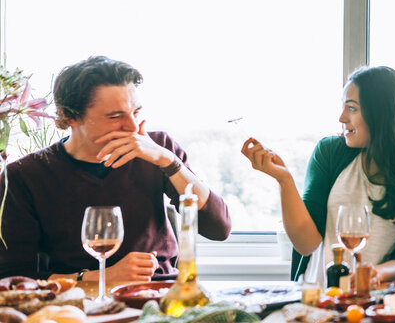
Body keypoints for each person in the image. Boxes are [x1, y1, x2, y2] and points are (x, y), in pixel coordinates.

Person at [0, 56, 231, 281]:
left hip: (160, 294)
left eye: (136, 112)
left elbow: (219, 229)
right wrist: (100, 277)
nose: (132, 126)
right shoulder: (23, 176)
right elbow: (12, 276)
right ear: (69, 116)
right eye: (115, 116)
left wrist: (169, 162)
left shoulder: (159, 148)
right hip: (75, 302)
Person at [242, 66, 395, 287]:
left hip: (382, 300)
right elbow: (306, 244)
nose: (342, 117)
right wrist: (284, 181)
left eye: (352, 108)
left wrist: (374, 273)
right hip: (321, 294)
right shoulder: (330, 152)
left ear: (382, 114)